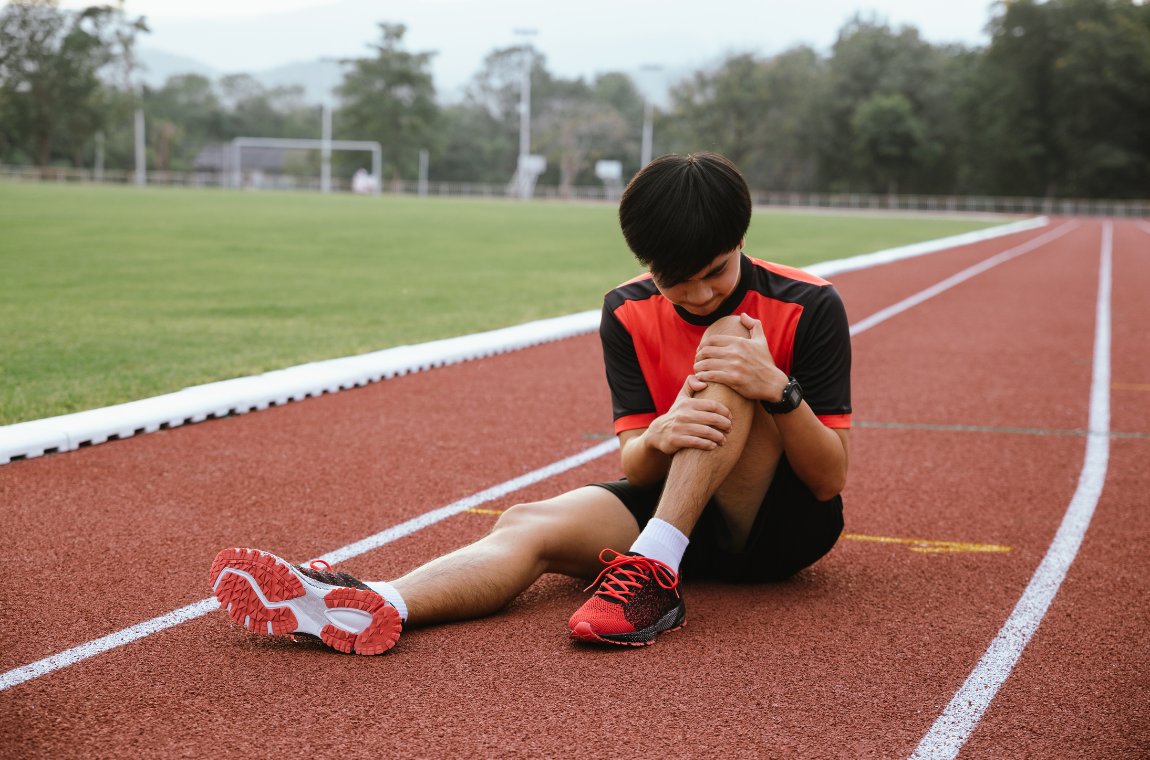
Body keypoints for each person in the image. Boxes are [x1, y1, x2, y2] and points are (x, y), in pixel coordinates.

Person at [209, 152, 852, 654]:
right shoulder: (626, 309)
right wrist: (659, 434)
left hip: (777, 528)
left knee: (732, 346)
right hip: (677, 513)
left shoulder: (809, 303)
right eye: (675, 281)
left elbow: (828, 480)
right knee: (526, 522)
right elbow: (640, 469)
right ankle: (375, 602)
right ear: (645, 265)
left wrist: (778, 390)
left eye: (716, 272)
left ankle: (653, 572)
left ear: (742, 239)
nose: (702, 294)